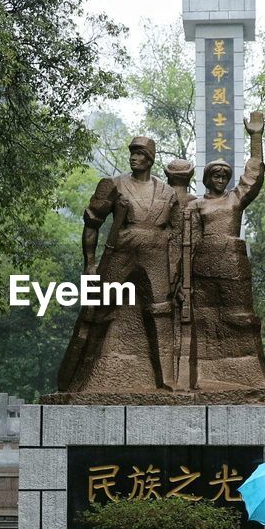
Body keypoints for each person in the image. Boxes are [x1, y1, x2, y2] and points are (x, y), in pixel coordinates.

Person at [55, 136, 182, 394]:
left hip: (156, 256)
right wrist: (89, 262)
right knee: (98, 310)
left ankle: (168, 380)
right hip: (120, 252)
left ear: (150, 159)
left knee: (161, 312)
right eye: (132, 153)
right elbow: (92, 223)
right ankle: (78, 378)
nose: (134, 158)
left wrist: (176, 268)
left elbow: (177, 233)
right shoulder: (113, 185)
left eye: (139, 154)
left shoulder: (168, 193)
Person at [187, 111, 265, 390]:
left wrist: (255, 137)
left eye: (225, 174)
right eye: (216, 174)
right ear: (207, 178)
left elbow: (253, 177)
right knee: (203, 321)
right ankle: (202, 376)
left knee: (241, 319)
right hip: (203, 269)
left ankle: (250, 375)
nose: (221, 178)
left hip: (233, 267)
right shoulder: (195, 206)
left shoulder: (235, 200)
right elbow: (186, 242)